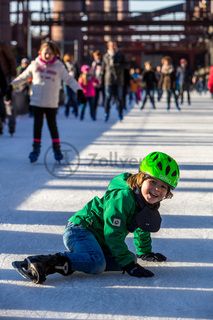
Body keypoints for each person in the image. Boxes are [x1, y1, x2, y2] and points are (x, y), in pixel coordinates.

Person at [12, 151, 180, 284]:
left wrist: (144, 252)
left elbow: (141, 225)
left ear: (168, 192)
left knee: (129, 258)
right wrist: (129, 266)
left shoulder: (146, 201)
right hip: (81, 230)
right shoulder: (122, 198)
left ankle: (85, 257)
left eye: (163, 186)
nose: (157, 189)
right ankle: (41, 263)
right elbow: (112, 234)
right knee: (97, 263)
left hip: (100, 239)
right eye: (153, 182)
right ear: (141, 178)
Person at [11, 41, 86, 163]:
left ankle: (57, 150)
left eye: (50, 54)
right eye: (46, 53)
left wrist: (79, 91)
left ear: (54, 54)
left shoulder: (58, 66)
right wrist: (10, 86)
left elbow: (69, 79)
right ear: (40, 52)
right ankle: (35, 150)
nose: (48, 56)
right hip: (36, 102)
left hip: (51, 102)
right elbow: (23, 77)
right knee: (37, 126)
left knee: (52, 126)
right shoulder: (34, 65)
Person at [102, 41, 126, 121]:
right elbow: (103, 69)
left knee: (119, 98)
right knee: (108, 97)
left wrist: (116, 64)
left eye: (114, 45)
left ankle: (120, 113)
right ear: (108, 46)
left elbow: (124, 66)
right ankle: (106, 113)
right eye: (111, 45)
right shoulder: (105, 56)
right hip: (109, 80)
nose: (113, 47)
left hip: (119, 80)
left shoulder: (120, 55)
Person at [63, 53, 79, 118]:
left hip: (73, 83)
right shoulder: (63, 66)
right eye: (67, 60)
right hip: (66, 83)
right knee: (68, 97)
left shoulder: (74, 65)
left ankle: (76, 111)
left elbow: (78, 73)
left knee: (74, 98)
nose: (69, 61)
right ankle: (67, 111)